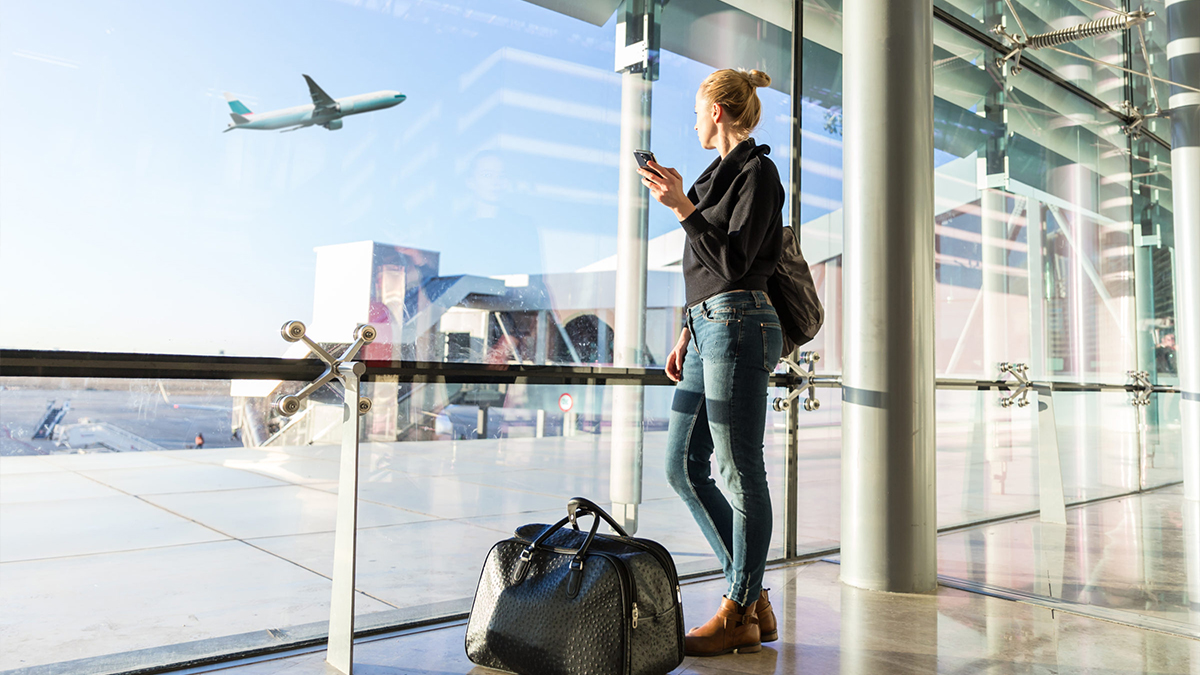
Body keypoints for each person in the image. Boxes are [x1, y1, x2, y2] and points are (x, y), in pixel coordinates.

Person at [638, 68, 784, 657]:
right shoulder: (713, 177)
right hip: (706, 328)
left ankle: (738, 610)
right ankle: (750, 597)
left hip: (742, 323)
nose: (694, 122)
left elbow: (732, 260)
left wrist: (680, 207)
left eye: (698, 112)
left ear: (718, 112)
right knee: (681, 465)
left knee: (738, 468)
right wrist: (684, 328)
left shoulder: (757, 172)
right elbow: (705, 269)